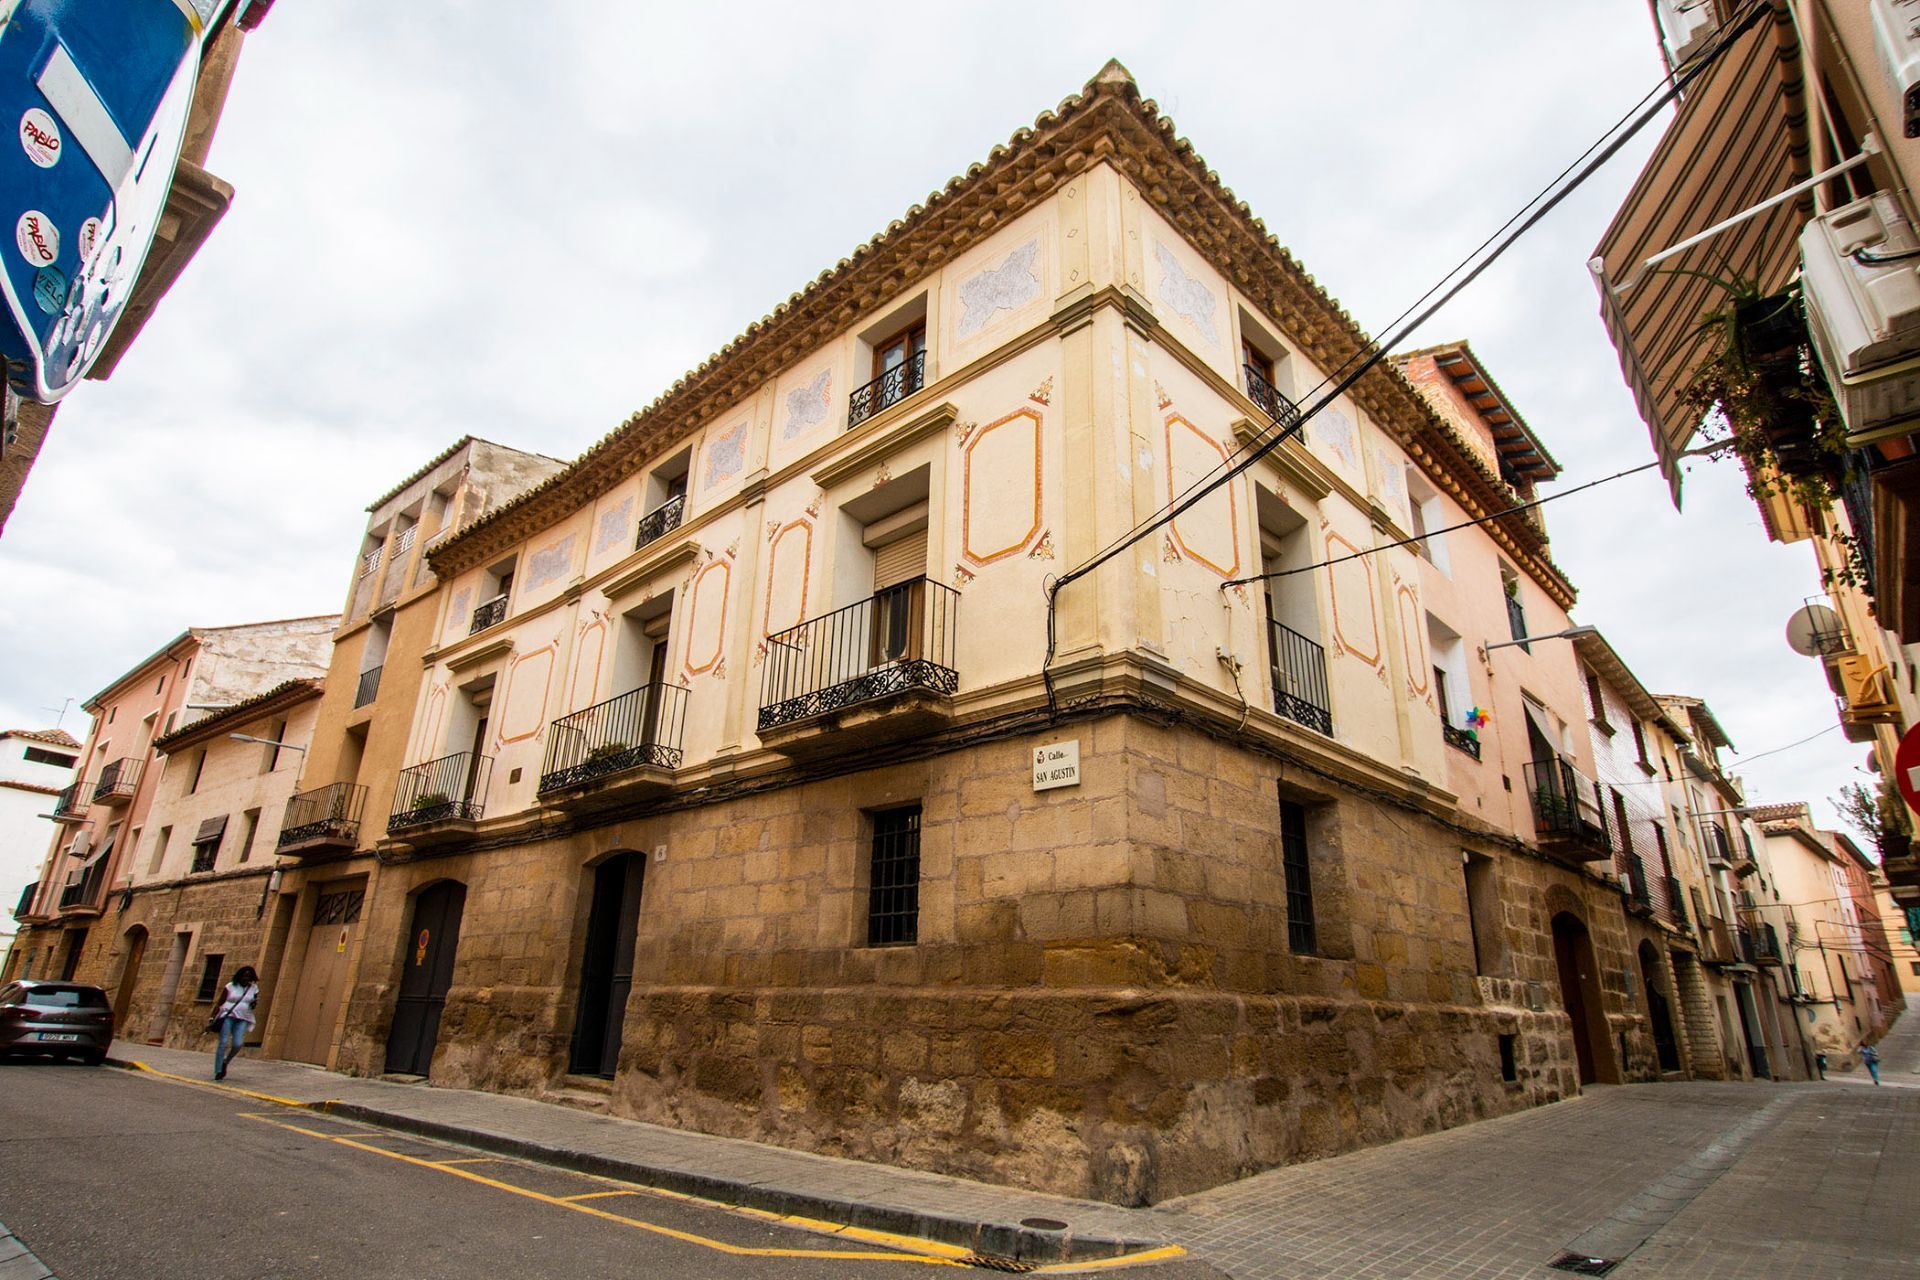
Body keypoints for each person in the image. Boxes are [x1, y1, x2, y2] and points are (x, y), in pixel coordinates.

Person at [211, 966, 259, 1081]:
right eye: (244, 975)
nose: (245, 978)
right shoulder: (230, 986)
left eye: (248, 976)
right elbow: (220, 1002)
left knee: (238, 1043)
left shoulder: (254, 988)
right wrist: (212, 1017)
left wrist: (254, 1004)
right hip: (228, 1016)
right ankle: (218, 1071)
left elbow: (253, 1004)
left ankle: (225, 1062)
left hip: (242, 1018)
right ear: (239, 975)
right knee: (223, 1043)